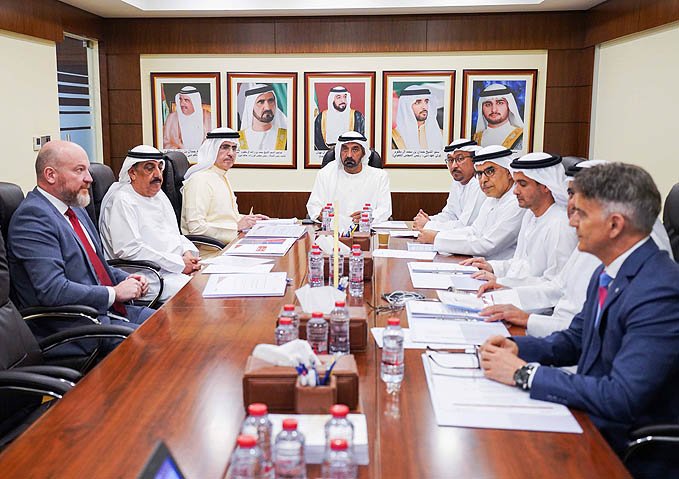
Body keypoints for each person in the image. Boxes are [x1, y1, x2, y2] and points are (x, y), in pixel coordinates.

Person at [479, 163, 679, 477]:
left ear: (615, 225)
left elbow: (621, 397)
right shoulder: (608, 270)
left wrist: (524, 374)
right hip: (587, 418)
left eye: (581, 214)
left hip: (623, 448)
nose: (571, 222)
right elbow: (574, 340)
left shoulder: (660, 291)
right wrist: (515, 347)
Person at [479, 158, 673, 337]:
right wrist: (509, 298)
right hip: (557, 332)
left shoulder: (655, 286)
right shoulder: (597, 248)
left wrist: (524, 318)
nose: (571, 218)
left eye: (583, 207)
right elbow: (561, 291)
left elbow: (586, 336)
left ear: (615, 223)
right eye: (570, 194)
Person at [7, 140, 154, 346]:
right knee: (158, 345)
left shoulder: (75, 207)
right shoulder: (32, 218)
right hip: (73, 327)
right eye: (79, 170)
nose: (89, 178)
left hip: (105, 313)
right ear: (50, 175)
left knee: (171, 322)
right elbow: (53, 290)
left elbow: (94, 266)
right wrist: (114, 293)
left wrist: (127, 278)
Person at [99, 145, 200, 302]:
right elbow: (130, 250)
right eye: (149, 168)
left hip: (171, 268)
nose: (158, 174)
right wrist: (178, 264)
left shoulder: (158, 195)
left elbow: (174, 234)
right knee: (197, 291)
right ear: (132, 173)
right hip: (145, 275)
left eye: (160, 167)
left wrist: (187, 252)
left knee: (207, 279)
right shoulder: (122, 200)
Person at [462, 151, 577, 288]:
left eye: (522, 184)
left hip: (531, 300)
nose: (515, 191)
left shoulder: (560, 224)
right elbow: (521, 264)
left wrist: (501, 283)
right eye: (516, 184)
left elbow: (556, 285)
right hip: (514, 293)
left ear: (546, 186)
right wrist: (492, 267)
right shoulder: (530, 215)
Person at [417, 145, 525, 260]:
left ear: (509, 173)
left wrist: (437, 238)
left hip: (498, 268)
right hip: (481, 264)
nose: (483, 180)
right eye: (480, 174)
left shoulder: (517, 203)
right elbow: (474, 231)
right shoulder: (491, 199)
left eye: (490, 171)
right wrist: (437, 235)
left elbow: (488, 244)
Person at [182, 127, 269, 244]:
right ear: (212, 149)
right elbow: (196, 228)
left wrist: (250, 220)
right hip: (212, 251)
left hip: (230, 244)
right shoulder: (199, 180)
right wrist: (237, 226)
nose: (231, 153)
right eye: (224, 147)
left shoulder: (220, 176)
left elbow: (224, 218)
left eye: (234, 148)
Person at [306, 131, 392, 232]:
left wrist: (369, 216)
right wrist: (319, 215)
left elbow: (385, 210)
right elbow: (313, 206)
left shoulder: (379, 176)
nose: (349, 155)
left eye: (355, 149)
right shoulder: (326, 173)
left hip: (365, 232)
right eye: (344, 149)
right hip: (332, 234)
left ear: (363, 153)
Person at [413, 139, 486, 231]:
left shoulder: (480, 184)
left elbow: (465, 225)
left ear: (474, 160)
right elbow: (450, 214)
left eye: (460, 159)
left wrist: (428, 224)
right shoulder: (457, 183)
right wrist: (429, 220)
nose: (454, 166)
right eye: (450, 160)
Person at [472, 84, 524, 150]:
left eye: (500, 103)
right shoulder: (474, 139)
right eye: (488, 104)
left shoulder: (522, 137)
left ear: (509, 106)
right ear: (481, 108)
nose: (494, 110)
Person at [392, 85, 443, 150]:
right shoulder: (393, 137)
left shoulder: (442, 134)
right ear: (406, 107)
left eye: (426, 102)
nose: (424, 107)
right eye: (417, 103)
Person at [314, 85, 366, 150]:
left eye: (345, 97)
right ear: (332, 99)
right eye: (338, 97)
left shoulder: (357, 116)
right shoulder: (321, 117)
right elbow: (317, 140)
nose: (343, 100)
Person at [238, 84, 287, 151]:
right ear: (250, 107)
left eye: (270, 101)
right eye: (261, 102)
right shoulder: (238, 139)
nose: (267, 107)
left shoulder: (286, 137)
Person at [163, 85, 212, 150]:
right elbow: (165, 143)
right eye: (180, 99)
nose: (182, 104)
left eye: (186, 100)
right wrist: (180, 149)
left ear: (195, 102)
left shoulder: (208, 117)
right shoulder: (171, 118)